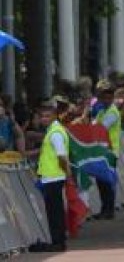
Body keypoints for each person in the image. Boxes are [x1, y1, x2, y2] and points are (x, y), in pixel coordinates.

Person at [29, 98, 71, 253]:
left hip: (53, 177)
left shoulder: (55, 133)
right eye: (42, 116)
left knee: (54, 212)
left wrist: (67, 173)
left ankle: (58, 242)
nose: (44, 119)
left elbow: (61, 156)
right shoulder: (53, 131)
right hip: (52, 177)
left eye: (47, 116)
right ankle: (58, 240)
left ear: (54, 116)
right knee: (55, 211)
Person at [93, 81, 121, 219]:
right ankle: (105, 208)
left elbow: (101, 128)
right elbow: (93, 125)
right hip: (101, 151)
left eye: (108, 97)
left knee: (107, 181)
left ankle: (109, 210)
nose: (105, 100)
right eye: (103, 97)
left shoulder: (112, 112)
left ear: (112, 98)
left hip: (110, 152)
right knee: (101, 182)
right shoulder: (102, 111)